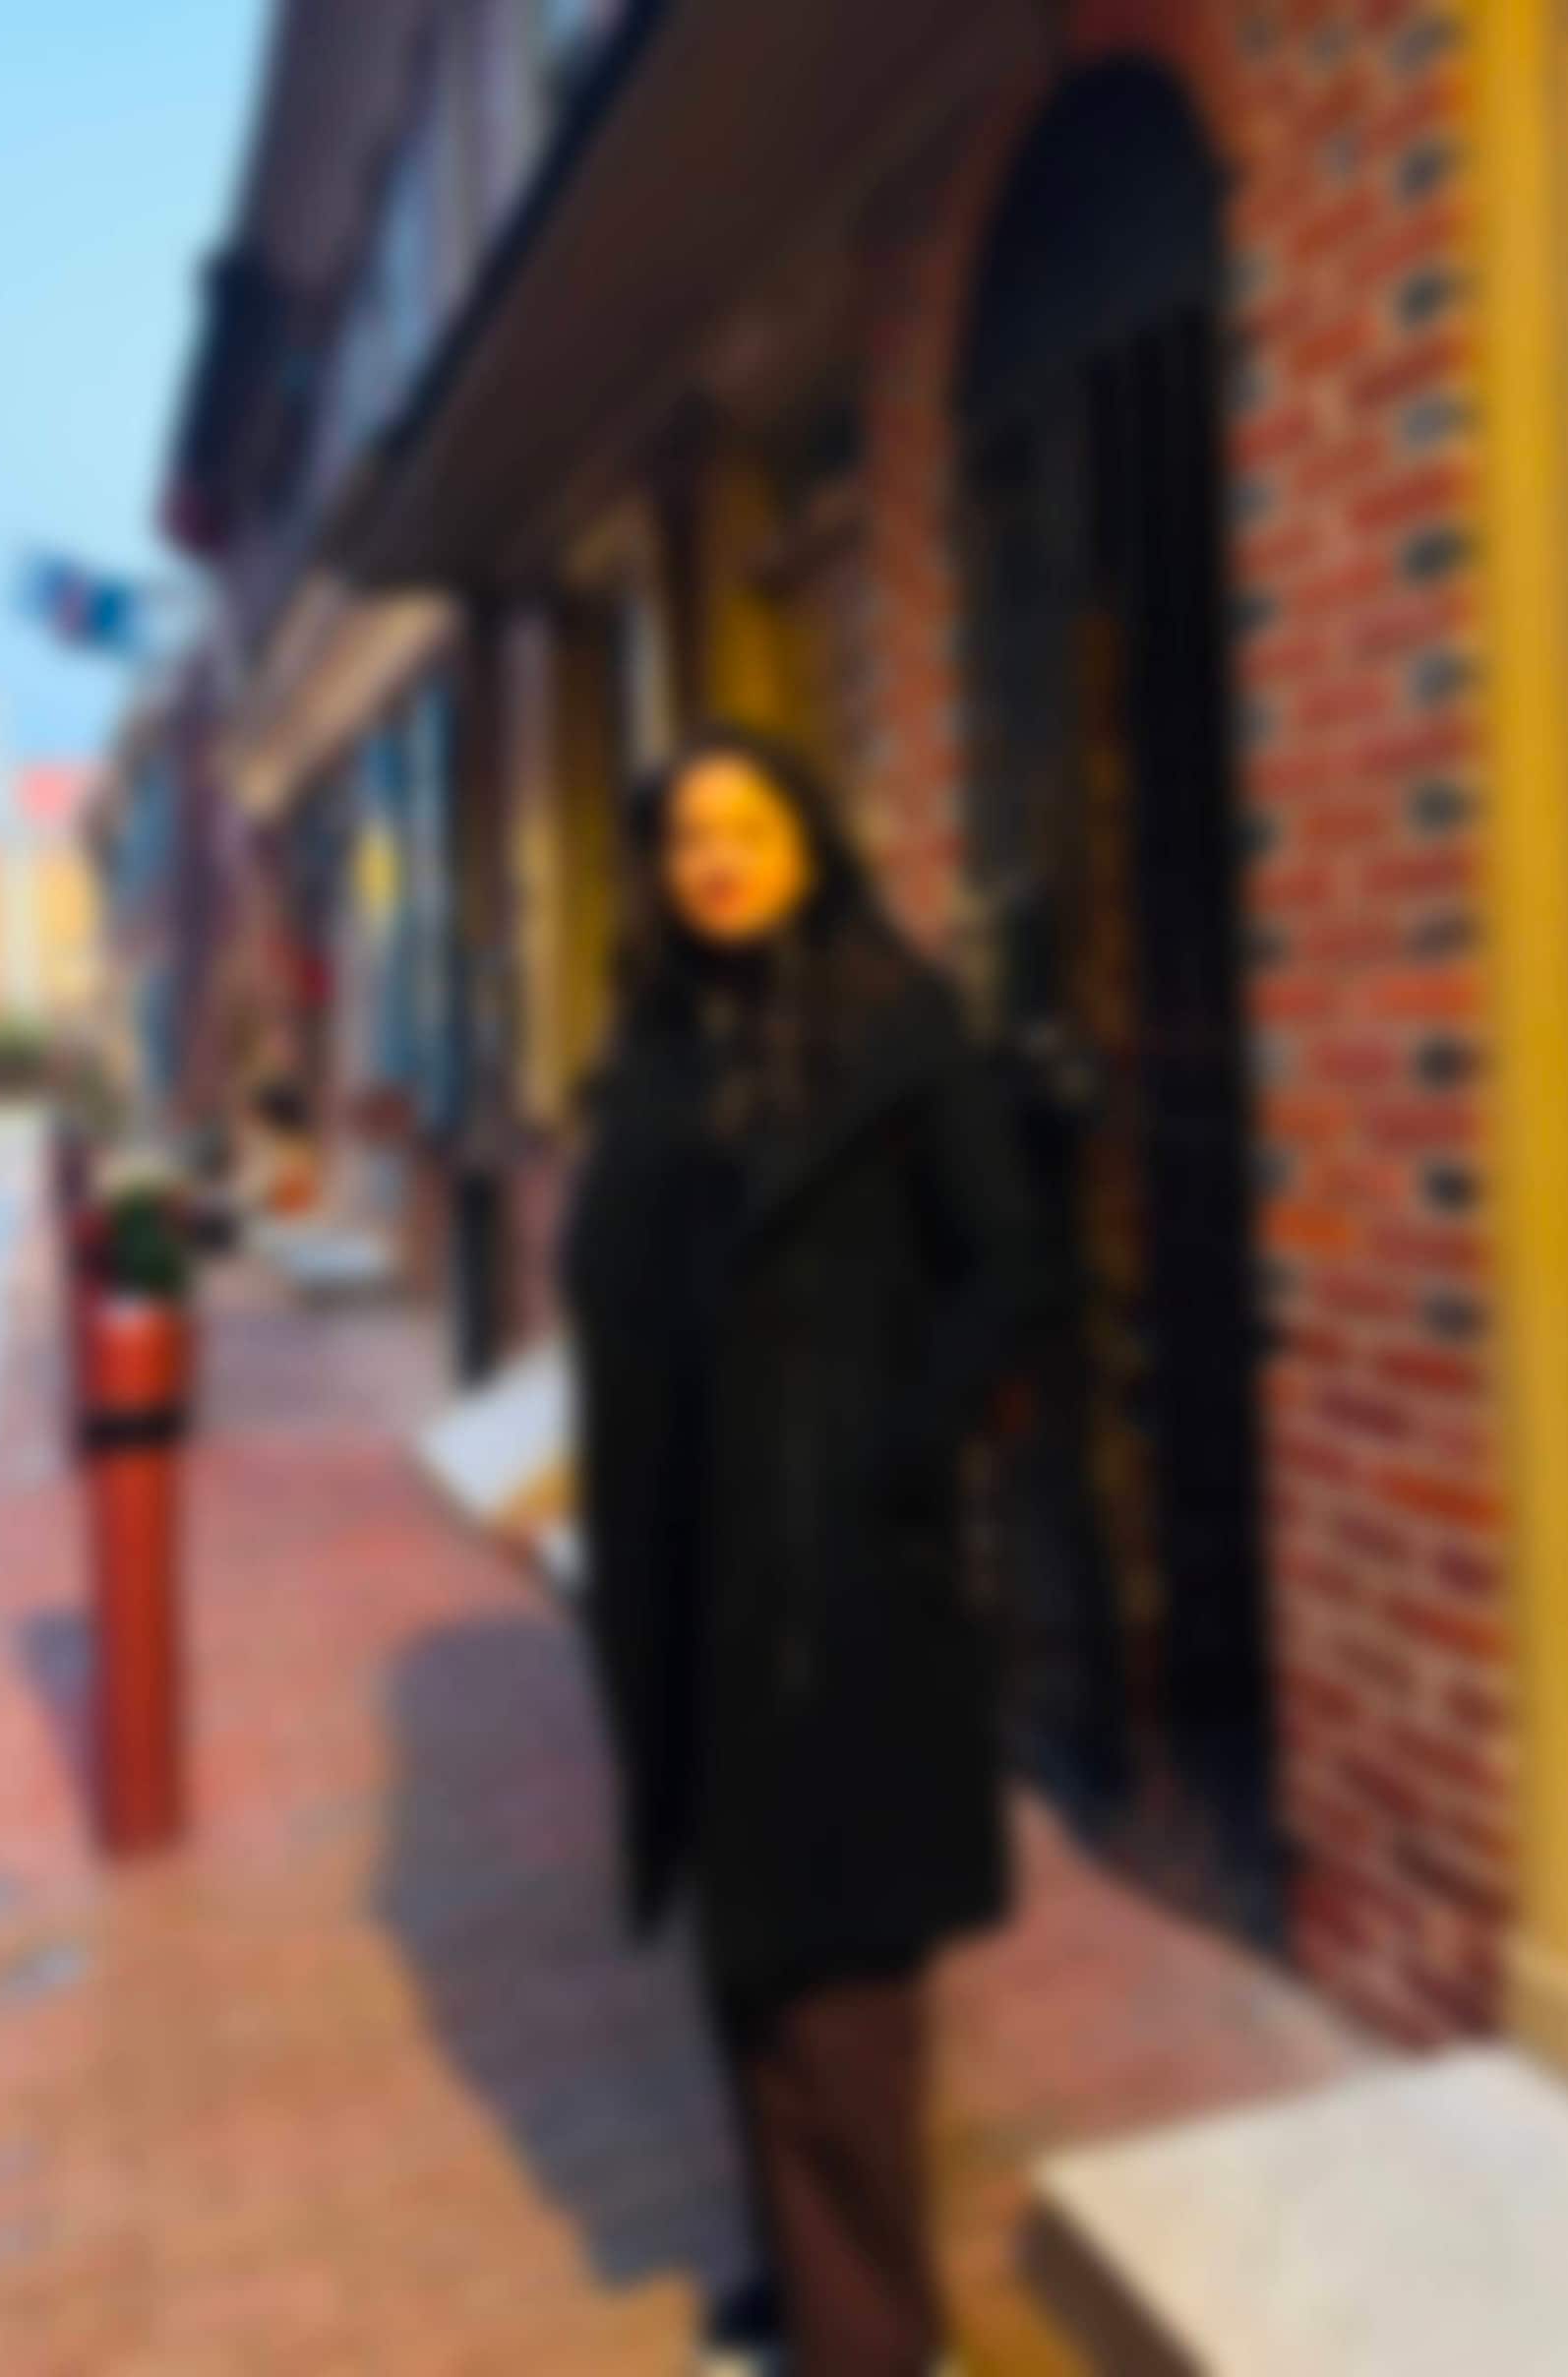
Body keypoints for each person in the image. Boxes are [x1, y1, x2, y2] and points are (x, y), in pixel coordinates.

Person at [561, 723, 1053, 2376]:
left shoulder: (900, 1026)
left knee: (838, 1958)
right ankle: (802, 2261)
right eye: (688, 837)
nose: (717, 862)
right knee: (747, 1941)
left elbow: (1008, 1268)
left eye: (747, 829)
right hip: (691, 1550)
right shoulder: (661, 1041)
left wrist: (897, 1450)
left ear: (807, 844)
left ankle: (872, 2337)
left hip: (838, 1555)